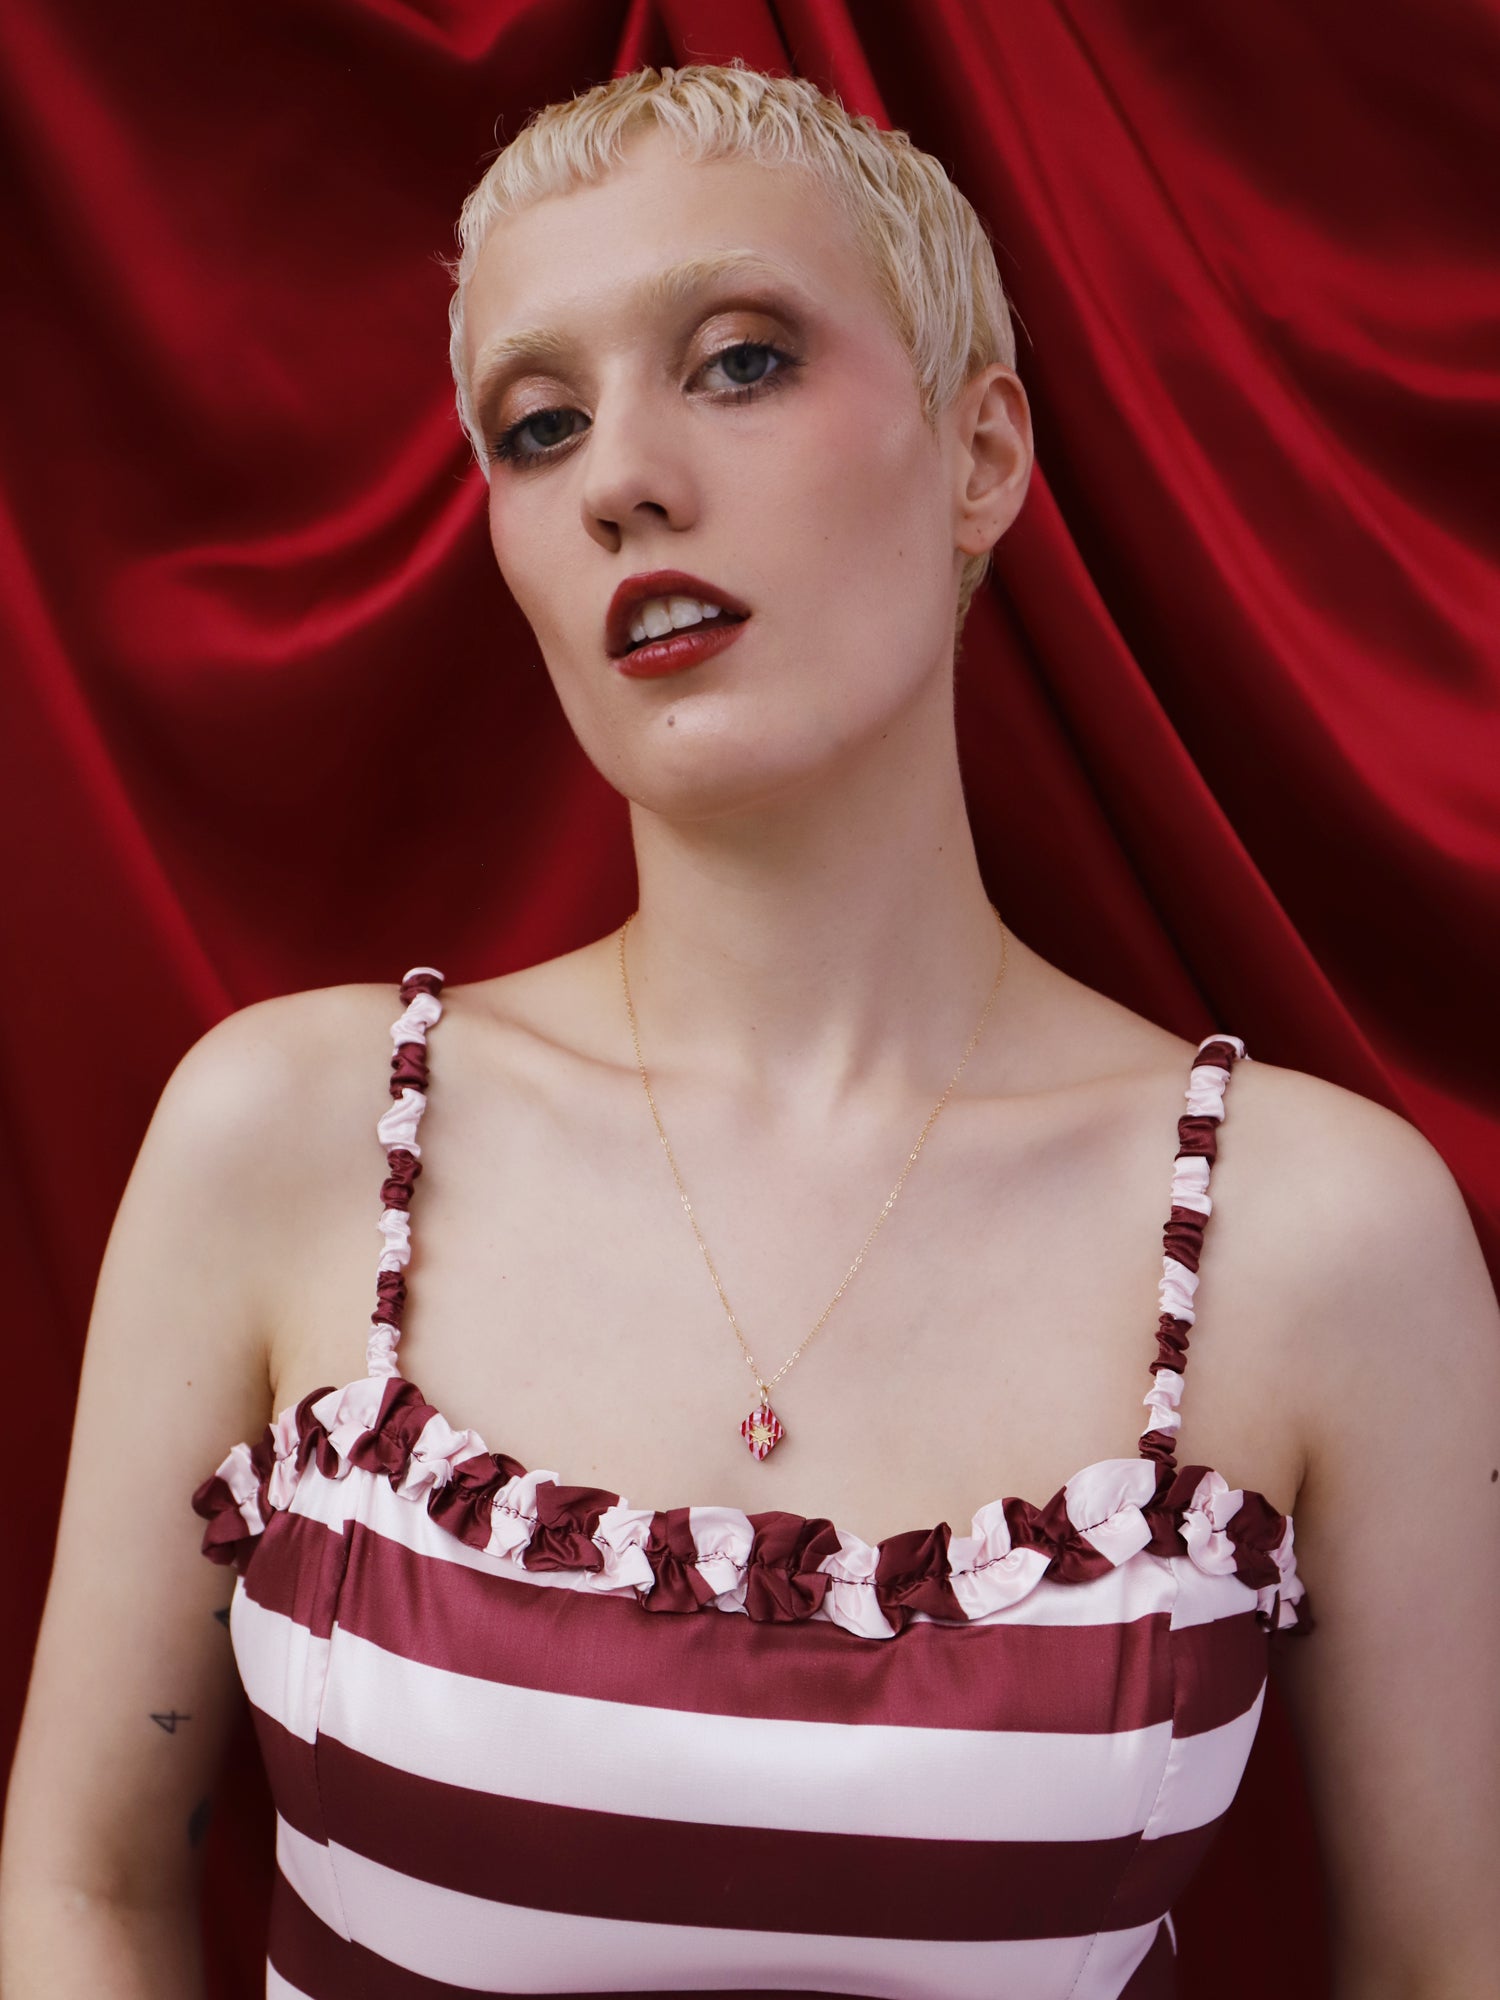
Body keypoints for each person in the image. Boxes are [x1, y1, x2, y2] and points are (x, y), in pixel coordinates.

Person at [2, 56, 1496, 2000]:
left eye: (738, 362)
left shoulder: (1321, 1237)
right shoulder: (292, 1134)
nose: (619, 476)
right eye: (538, 425)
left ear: (981, 454)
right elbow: (84, 1886)